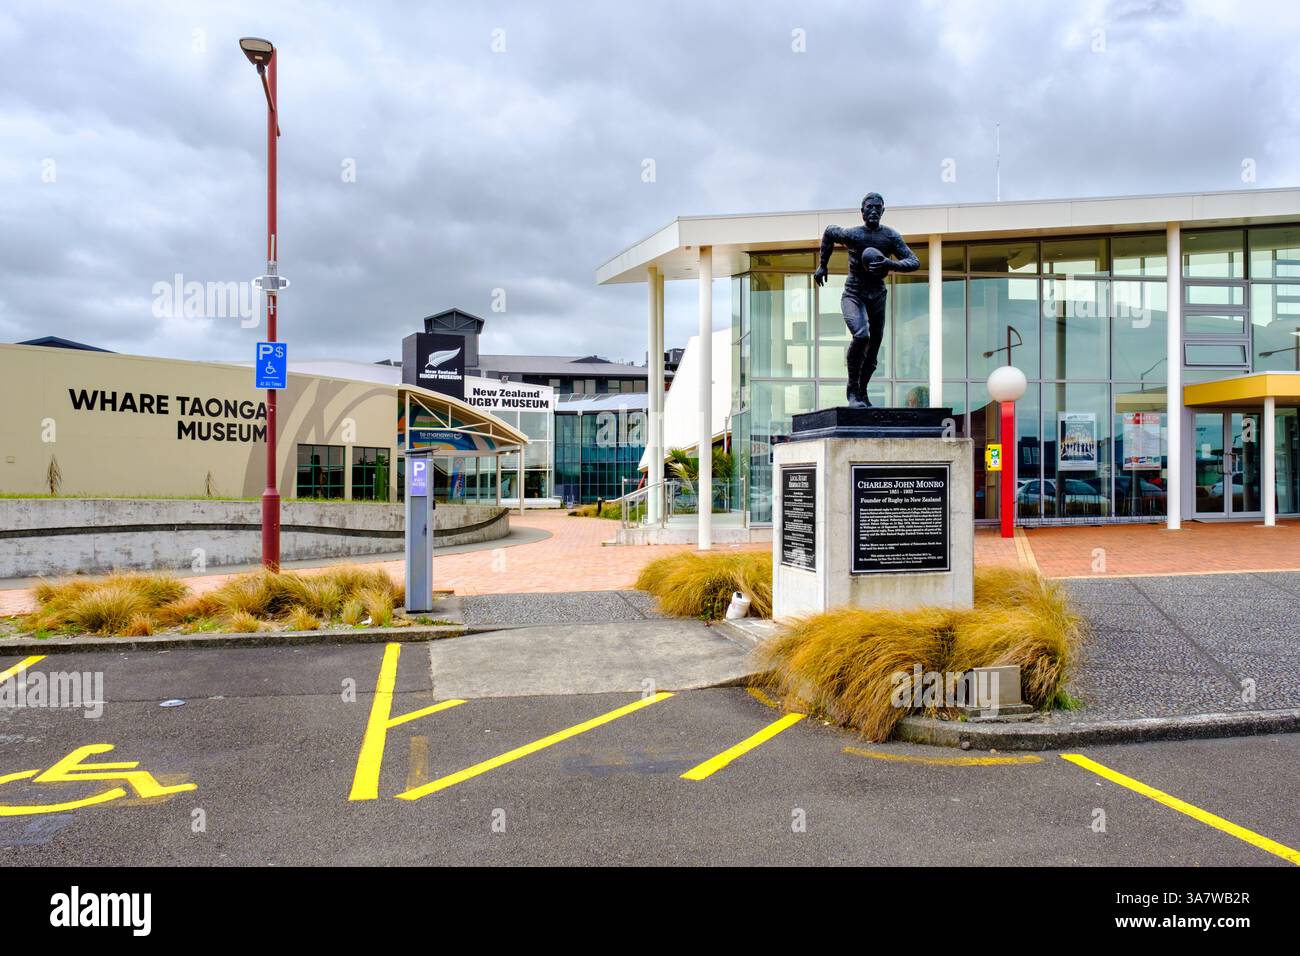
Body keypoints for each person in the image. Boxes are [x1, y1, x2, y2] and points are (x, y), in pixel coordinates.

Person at [813, 192, 919, 407]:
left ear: (883, 211)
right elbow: (829, 232)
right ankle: (852, 390)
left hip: (877, 295)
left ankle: (862, 392)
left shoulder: (890, 236)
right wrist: (823, 264)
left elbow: (913, 261)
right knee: (862, 336)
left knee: (873, 351)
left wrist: (890, 264)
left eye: (877, 208)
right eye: (869, 207)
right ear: (862, 212)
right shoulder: (854, 235)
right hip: (854, 294)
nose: (873, 211)